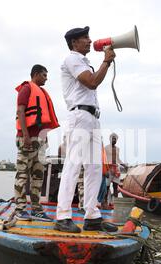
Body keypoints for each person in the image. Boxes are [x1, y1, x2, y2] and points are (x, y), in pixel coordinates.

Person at [55, 26, 118, 233]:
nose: (90, 41)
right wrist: (107, 61)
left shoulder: (84, 62)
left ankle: (92, 216)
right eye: (85, 38)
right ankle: (63, 216)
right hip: (80, 116)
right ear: (74, 43)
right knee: (73, 165)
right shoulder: (72, 58)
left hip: (91, 118)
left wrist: (105, 63)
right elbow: (91, 83)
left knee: (94, 168)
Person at [5, 64, 59, 227]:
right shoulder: (26, 89)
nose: (46, 78)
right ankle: (21, 208)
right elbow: (21, 111)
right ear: (36, 74)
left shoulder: (42, 92)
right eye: (44, 75)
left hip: (40, 140)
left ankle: (36, 208)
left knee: (38, 175)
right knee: (22, 173)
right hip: (27, 138)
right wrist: (26, 135)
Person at [104, 133, 127, 200]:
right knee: (107, 187)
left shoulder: (117, 149)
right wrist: (105, 170)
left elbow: (118, 159)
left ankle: (115, 203)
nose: (114, 140)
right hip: (109, 168)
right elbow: (104, 159)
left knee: (115, 186)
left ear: (116, 140)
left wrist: (124, 164)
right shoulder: (106, 148)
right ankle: (105, 202)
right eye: (112, 138)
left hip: (116, 169)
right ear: (110, 139)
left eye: (115, 139)